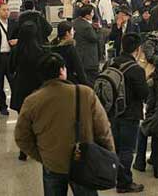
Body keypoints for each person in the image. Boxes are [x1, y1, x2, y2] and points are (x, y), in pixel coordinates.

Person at [14, 53, 115, 196]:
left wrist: (42, 156)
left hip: (52, 164)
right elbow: (103, 130)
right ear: (62, 70)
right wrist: (110, 155)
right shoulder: (85, 93)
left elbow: (21, 137)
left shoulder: (32, 101)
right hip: (84, 162)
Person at [111, 33, 148, 193]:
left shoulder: (110, 64)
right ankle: (124, 182)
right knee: (127, 149)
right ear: (138, 49)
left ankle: (116, 177)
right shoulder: (136, 70)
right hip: (130, 113)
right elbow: (144, 94)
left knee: (117, 148)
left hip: (112, 112)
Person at [9, 21, 46, 161]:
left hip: (21, 87)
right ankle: (39, 147)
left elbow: (11, 69)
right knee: (38, 120)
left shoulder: (16, 50)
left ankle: (23, 151)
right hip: (37, 89)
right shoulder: (40, 51)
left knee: (23, 120)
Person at [50, 21, 90, 86]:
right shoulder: (70, 48)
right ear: (67, 33)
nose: (74, 32)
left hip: (54, 83)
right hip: (69, 82)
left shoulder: (52, 47)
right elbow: (79, 70)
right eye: (72, 30)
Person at [0, 3, 17, 115]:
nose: (6, 12)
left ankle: (18, 104)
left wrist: (17, 41)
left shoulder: (14, 24)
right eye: (4, 10)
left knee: (14, 82)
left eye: (8, 10)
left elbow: (20, 37)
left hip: (10, 57)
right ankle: (2, 107)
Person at [73, 5, 99, 85]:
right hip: (89, 58)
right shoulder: (87, 27)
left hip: (79, 54)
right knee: (91, 80)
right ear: (87, 15)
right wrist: (98, 30)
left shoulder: (76, 22)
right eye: (92, 13)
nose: (93, 14)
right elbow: (95, 38)